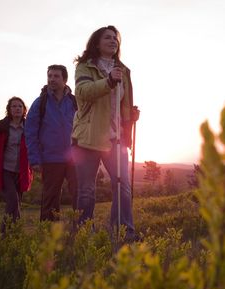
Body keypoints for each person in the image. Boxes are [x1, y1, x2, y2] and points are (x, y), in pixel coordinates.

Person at [72, 25, 140, 240]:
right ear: (97, 42)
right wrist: (109, 81)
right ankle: (84, 234)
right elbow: (83, 92)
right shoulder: (85, 67)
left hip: (115, 137)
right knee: (86, 191)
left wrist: (130, 118)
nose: (113, 41)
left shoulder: (124, 70)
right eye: (108, 38)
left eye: (115, 38)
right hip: (87, 137)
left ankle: (122, 232)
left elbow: (125, 103)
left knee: (124, 188)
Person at [25, 65, 78, 221]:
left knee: (80, 195)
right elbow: (30, 133)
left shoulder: (75, 102)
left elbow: (86, 125)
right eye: (50, 76)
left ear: (65, 80)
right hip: (50, 158)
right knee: (50, 198)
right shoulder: (40, 103)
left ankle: (82, 231)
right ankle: (49, 235)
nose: (52, 79)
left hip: (75, 158)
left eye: (56, 76)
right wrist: (34, 159)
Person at [0, 97, 32, 233]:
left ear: (24, 110)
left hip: (22, 172)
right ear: (9, 110)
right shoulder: (1, 126)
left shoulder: (29, 126)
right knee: (13, 201)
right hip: (5, 170)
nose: (17, 108)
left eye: (19, 106)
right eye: (14, 106)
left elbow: (35, 144)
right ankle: (8, 233)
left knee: (14, 204)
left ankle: (11, 236)